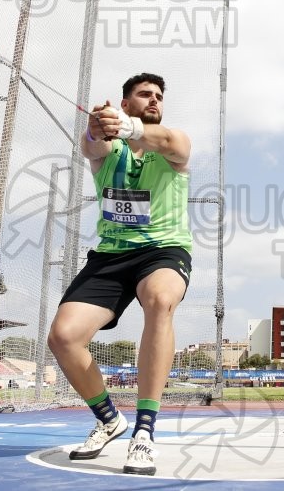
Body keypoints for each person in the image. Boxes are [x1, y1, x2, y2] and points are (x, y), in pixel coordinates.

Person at [47, 73, 192, 476]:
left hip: (163, 250)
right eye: (145, 95)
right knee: (63, 337)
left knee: (161, 300)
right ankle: (110, 419)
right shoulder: (108, 150)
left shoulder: (172, 144)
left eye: (159, 96)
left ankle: (144, 432)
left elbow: (169, 142)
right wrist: (96, 127)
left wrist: (130, 127)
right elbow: (91, 145)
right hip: (111, 256)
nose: (154, 100)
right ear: (125, 103)